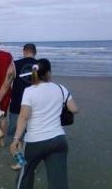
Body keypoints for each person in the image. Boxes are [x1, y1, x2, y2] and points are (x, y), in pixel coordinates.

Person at [10, 59, 79, 189]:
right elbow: (75, 109)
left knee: (26, 174)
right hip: (58, 139)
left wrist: (16, 139)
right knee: (59, 182)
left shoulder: (30, 91)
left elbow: (24, 117)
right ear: (48, 73)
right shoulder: (60, 88)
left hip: (34, 141)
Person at [0, 43, 37, 169]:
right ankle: (31, 162)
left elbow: (6, 84)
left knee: (17, 134)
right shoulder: (40, 65)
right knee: (32, 133)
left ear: (24, 51)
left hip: (17, 104)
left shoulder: (15, 64)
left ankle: (21, 161)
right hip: (35, 105)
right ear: (35, 52)